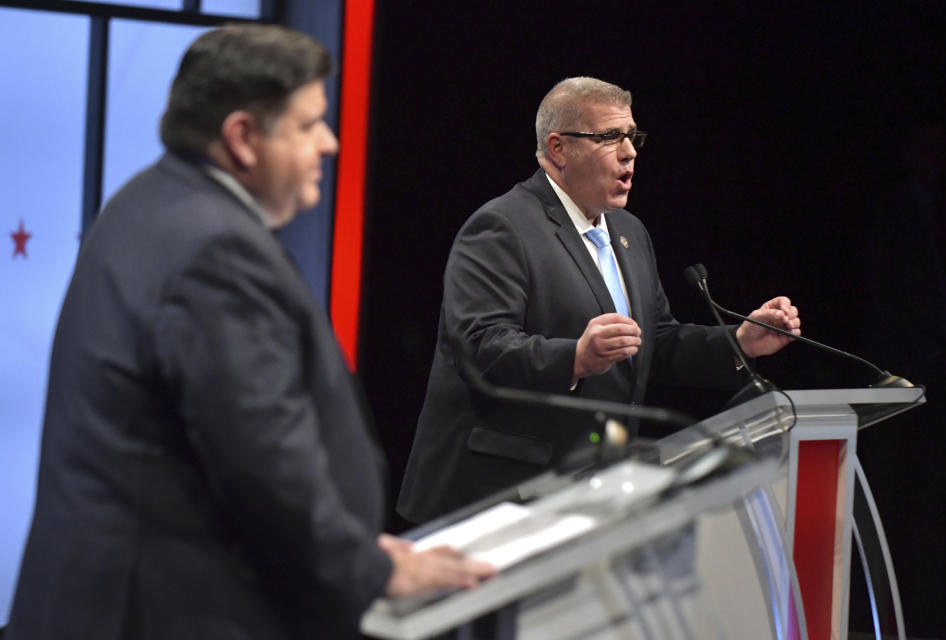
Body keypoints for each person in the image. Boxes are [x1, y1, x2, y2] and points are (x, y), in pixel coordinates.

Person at [6, 25, 492, 640]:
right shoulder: (213, 250)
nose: (331, 142)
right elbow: (262, 457)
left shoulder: (151, 202)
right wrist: (366, 569)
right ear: (242, 137)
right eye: (309, 124)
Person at [397, 77, 801, 524]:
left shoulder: (628, 232)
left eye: (632, 136)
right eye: (610, 137)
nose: (630, 152)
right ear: (558, 149)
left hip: (592, 497)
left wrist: (739, 342)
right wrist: (575, 358)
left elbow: (654, 342)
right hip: (498, 499)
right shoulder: (501, 227)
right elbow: (479, 349)